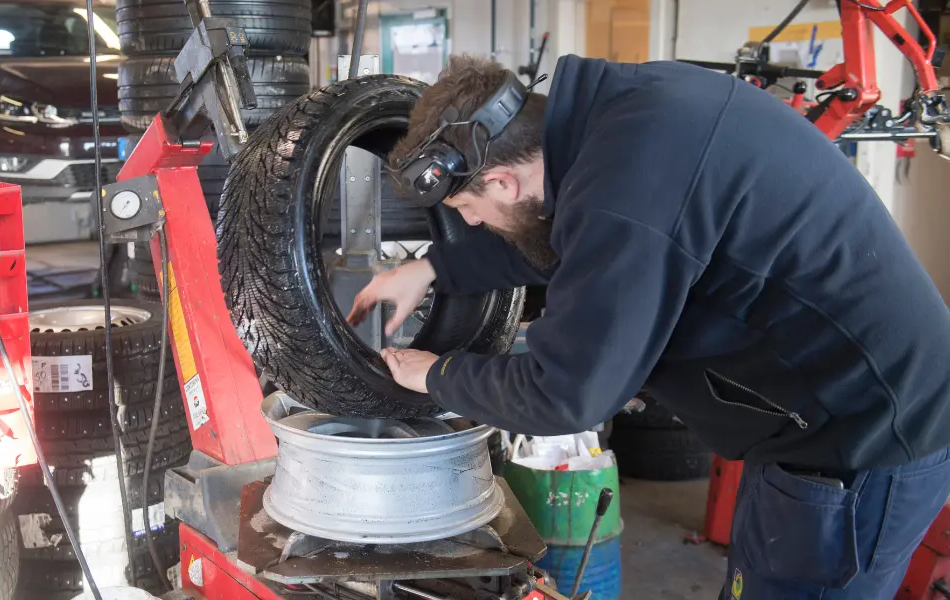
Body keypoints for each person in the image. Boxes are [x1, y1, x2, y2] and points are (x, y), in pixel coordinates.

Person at [348, 54, 950, 599]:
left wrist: (439, 374)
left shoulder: (625, 190)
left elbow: (565, 393)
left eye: (466, 209)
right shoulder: (617, 119)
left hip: (861, 436)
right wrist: (433, 268)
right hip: (818, 412)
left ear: (503, 180)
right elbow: (557, 235)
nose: (475, 224)